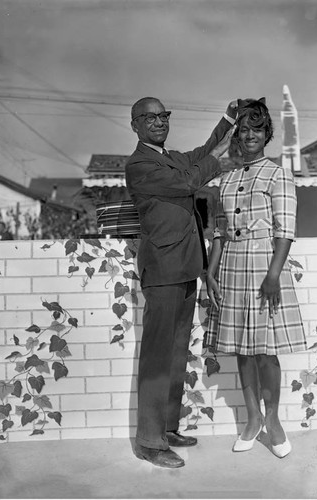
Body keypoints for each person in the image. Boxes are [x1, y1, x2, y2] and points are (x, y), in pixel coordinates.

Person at [125, 96, 237, 468]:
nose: (158, 121)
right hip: (162, 269)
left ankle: (167, 428)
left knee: (175, 354)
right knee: (158, 358)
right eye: (149, 117)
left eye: (163, 116)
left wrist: (227, 120)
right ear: (135, 125)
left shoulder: (169, 156)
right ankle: (149, 442)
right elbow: (191, 178)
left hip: (186, 266)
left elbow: (204, 152)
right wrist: (215, 161)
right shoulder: (140, 164)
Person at [206, 98, 307, 458]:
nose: (249, 135)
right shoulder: (226, 178)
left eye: (256, 129)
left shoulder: (278, 173)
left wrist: (274, 274)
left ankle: (274, 421)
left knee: (265, 352)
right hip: (232, 264)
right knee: (242, 352)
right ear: (237, 134)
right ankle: (252, 420)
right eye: (243, 129)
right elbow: (219, 231)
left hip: (265, 265)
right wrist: (210, 273)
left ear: (267, 134)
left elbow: (286, 230)